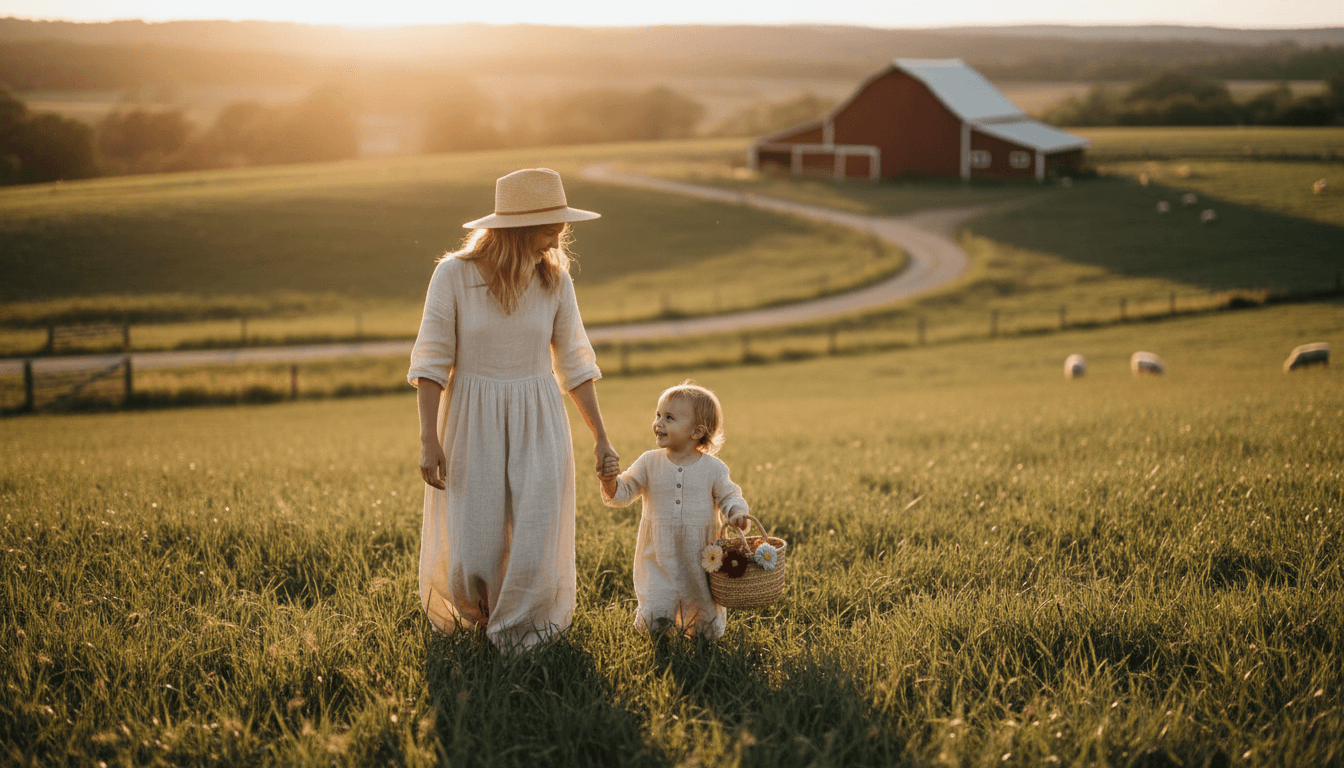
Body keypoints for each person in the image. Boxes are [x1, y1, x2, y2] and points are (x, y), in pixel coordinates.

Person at [409, 167, 617, 651]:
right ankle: (480, 621)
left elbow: (576, 362)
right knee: (475, 538)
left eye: (561, 220)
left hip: (540, 412)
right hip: (470, 417)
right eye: (550, 221)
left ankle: (524, 634)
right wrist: (428, 438)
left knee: (537, 527)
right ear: (515, 224)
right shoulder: (453, 275)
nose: (561, 230)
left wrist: (601, 437)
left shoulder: (555, 280)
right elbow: (432, 360)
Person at [599, 381, 750, 639]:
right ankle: (660, 640)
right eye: (658, 415)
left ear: (696, 431)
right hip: (659, 551)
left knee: (702, 602)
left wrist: (736, 512)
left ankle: (703, 640)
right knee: (657, 601)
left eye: (669, 418)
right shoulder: (649, 462)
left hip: (700, 554)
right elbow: (623, 492)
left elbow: (729, 495)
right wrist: (609, 480)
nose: (658, 423)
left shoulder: (713, 468)